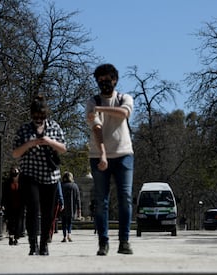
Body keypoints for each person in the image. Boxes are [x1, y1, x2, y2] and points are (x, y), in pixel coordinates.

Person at [86, 63, 134, 256]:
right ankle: (103, 242)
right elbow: (96, 128)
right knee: (101, 201)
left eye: (108, 79)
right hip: (99, 155)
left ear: (115, 80)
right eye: (101, 80)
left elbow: (123, 113)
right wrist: (103, 154)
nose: (104, 83)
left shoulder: (124, 98)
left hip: (124, 154)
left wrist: (100, 109)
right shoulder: (92, 101)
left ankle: (124, 241)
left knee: (125, 197)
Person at [12, 94, 67, 256]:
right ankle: (32, 244)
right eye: (35, 115)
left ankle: (44, 244)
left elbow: (63, 148)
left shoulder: (54, 127)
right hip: (30, 175)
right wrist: (30, 143)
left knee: (48, 212)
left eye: (41, 115)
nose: (38, 118)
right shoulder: (24, 129)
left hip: (50, 176)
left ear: (46, 114)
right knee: (33, 209)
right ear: (31, 114)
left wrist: (49, 141)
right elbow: (15, 153)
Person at [3, 166, 24, 246]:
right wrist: (3, 204)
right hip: (10, 206)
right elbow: (4, 195)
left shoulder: (21, 183)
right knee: (11, 223)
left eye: (16, 172)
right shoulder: (7, 183)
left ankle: (16, 238)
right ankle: (11, 237)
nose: (15, 174)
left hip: (19, 206)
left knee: (18, 223)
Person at [60, 171, 81, 242]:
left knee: (63, 222)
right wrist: (79, 209)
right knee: (69, 221)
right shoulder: (75, 186)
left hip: (62, 207)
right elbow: (78, 198)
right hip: (72, 207)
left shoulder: (61, 185)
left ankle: (64, 236)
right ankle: (69, 234)